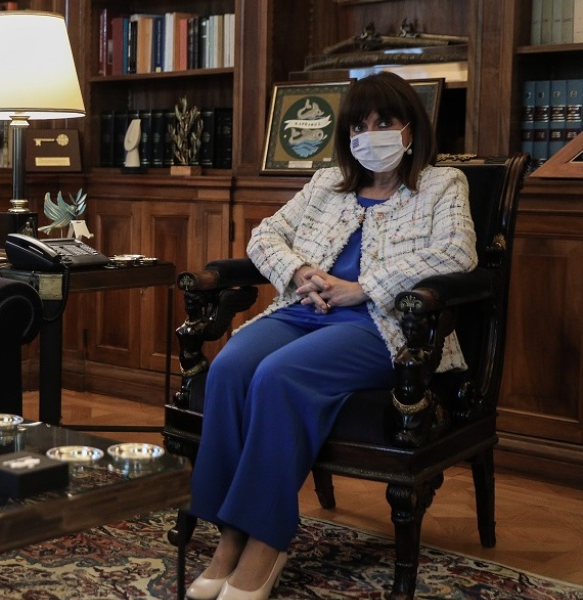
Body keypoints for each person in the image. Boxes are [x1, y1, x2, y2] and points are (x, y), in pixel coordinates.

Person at [184, 71, 478, 600]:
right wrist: (298, 271)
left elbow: (458, 253)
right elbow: (264, 235)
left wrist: (363, 288)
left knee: (278, 376)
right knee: (229, 367)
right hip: (304, 311)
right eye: (358, 126)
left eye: (383, 122)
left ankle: (264, 544)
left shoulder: (442, 184)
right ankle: (229, 536)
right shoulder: (326, 183)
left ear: (410, 128)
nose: (370, 135)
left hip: (381, 326)